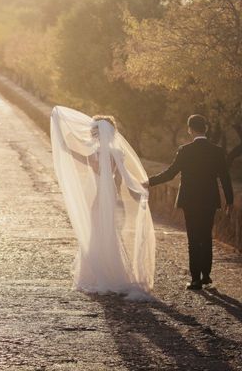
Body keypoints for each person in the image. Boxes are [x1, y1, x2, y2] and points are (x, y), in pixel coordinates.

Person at [50, 106, 155, 300]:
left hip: (100, 195)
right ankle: (111, 270)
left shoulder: (97, 154)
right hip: (111, 193)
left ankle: (96, 273)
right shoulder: (117, 153)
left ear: (97, 132)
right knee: (108, 231)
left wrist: (65, 147)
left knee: (95, 231)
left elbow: (84, 160)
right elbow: (122, 176)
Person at [146, 114, 234, 290]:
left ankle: (195, 279)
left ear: (189, 129)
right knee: (206, 236)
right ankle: (206, 275)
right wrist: (230, 201)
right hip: (209, 200)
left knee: (193, 238)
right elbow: (225, 178)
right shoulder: (217, 151)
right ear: (206, 128)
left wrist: (149, 182)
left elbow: (171, 173)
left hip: (190, 201)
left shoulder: (185, 150)